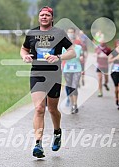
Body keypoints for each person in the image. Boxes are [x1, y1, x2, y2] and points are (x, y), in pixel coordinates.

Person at [20, 6, 76, 158]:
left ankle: (57, 132)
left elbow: (72, 52)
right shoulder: (32, 33)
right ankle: (38, 144)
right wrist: (24, 56)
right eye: (41, 15)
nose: (44, 17)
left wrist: (58, 58)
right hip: (37, 74)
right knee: (39, 108)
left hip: (54, 75)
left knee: (52, 109)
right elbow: (24, 49)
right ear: (39, 18)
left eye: (47, 15)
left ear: (52, 18)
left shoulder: (59, 33)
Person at [62, 27, 84, 113]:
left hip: (77, 69)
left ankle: (75, 104)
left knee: (74, 86)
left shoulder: (78, 47)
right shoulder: (64, 48)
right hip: (67, 69)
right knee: (70, 87)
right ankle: (72, 104)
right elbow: (63, 57)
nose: (70, 34)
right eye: (69, 33)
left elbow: (81, 57)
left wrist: (81, 58)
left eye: (72, 33)